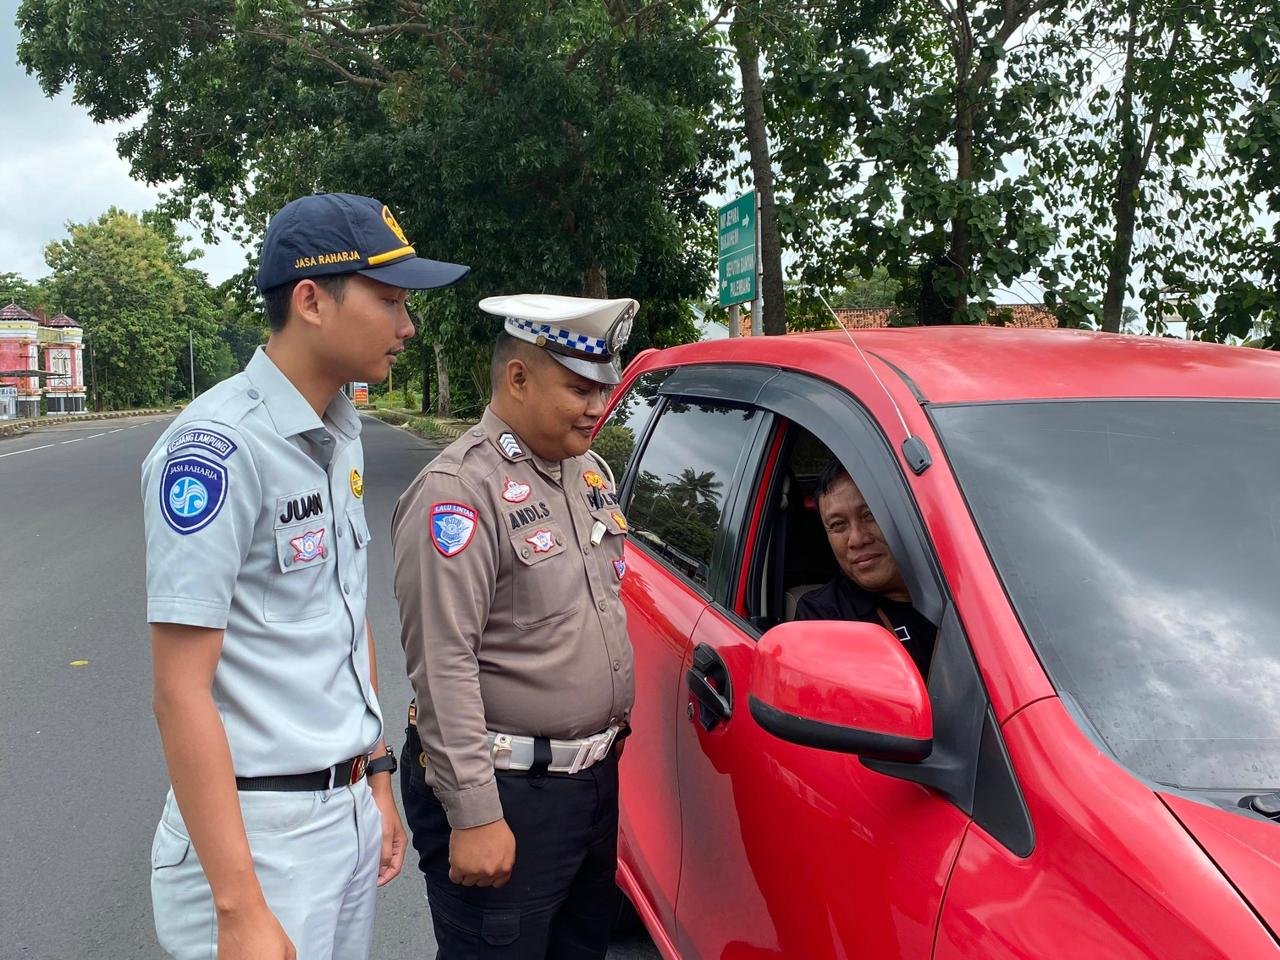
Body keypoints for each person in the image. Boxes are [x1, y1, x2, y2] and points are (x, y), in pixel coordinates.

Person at [141, 192, 470, 960]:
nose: (407, 325)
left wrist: (376, 778)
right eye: (389, 300)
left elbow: (344, 618)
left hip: (344, 811)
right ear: (312, 299)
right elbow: (179, 690)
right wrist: (239, 908)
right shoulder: (217, 451)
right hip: (258, 838)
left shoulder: (338, 434)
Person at [392, 293, 638, 960]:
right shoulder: (459, 492)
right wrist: (474, 814)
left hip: (588, 787)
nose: (597, 406)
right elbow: (443, 667)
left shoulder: (590, 473)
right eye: (579, 388)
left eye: (605, 388)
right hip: (506, 792)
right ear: (518, 378)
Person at [795, 458, 936, 678]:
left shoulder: (962, 587)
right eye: (838, 525)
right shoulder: (824, 618)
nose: (857, 539)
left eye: (870, 515)